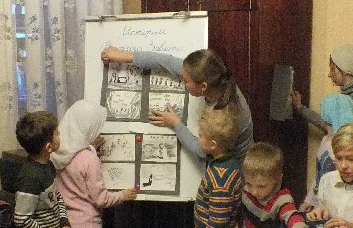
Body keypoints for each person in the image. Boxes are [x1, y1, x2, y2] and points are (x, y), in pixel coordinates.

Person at [100, 46, 253, 161]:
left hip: (235, 170)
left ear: (203, 86)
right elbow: (167, 62)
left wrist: (175, 124)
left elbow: (202, 152)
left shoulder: (228, 115)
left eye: (186, 81)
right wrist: (125, 56)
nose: (183, 83)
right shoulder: (213, 77)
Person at [51, 100, 137, 228]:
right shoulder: (89, 159)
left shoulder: (59, 152)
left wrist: (89, 146)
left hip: (66, 226)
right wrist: (123, 195)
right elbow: (101, 199)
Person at [240, 142, 320, 228]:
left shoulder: (282, 198)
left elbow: (293, 217)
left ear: (278, 178)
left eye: (261, 186)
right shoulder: (246, 190)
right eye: (249, 184)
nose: (254, 192)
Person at [12, 110, 76, 228]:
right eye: (57, 133)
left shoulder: (48, 165)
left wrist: (64, 225)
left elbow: (56, 197)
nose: (60, 135)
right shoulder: (30, 177)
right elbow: (21, 219)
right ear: (48, 147)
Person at [291, 43, 353, 139]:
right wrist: (300, 108)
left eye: (332, 69)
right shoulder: (343, 96)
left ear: (346, 69)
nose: (329, 74)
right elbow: (329, 125)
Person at [299, 93, 353, 211]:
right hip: (320, 204)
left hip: (337, 206)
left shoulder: (345, 148)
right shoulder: (325, 140)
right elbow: (319, 174)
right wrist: (309, 200)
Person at [193, 108, 243, 228]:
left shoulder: (221, 178)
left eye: (201, 135)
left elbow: (217, 222)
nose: (198, 138)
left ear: (213, 144)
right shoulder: (227, 163)